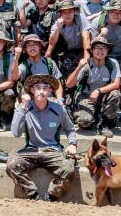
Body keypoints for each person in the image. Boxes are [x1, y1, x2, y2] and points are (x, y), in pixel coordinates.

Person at [6, 74, 77, 202]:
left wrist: (72, 144)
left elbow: (70, 129)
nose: (42, 91)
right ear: (32, 90)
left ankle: (52, 196)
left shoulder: (58, 109)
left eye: (45, 88)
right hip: (31, 150)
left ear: (50, 91)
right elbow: (16, 133)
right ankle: (33, 194)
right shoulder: (25, 107)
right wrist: (22, 106)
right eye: (38, 88)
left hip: (52, 151)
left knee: (69, 169)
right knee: (11, 164)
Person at [89, 0, 121, 131]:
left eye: (120, 13)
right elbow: (92, 46)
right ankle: (97, 113)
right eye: (113, 12)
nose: (116, 15)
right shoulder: (97, 22)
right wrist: (101, 34)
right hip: (101, 56)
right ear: (107, 12)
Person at [65, 36, 121, 138]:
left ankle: (105, 122)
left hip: (103, 96)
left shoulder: (112, 63)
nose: (100, 51)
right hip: (86, 97)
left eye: (103, 48)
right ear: (91, 50)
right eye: (97, 48)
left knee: (116, 94)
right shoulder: (86, 64)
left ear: (107, 50)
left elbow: (116, 84)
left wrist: (98, 91)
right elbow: (69, 84)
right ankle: (94, 117)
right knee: (85, 122)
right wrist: (79, 67)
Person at [12, 34, 64, 104]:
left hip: (48, 99)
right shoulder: (24, 65)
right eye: (29, 45)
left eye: (35, 44)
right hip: (30, 101)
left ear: (40, 46)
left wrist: (60, 100)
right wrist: (16, 59)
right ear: (25, 49)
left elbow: (57, 84)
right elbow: (15, 77)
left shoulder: (49, 63)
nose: (32, 47)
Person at [45, 0, 90, 78]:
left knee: (87, 68)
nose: (67, 15)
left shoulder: (81, 18)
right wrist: (58, 28)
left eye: (70, 11)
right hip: (71, 50)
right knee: (67, 69)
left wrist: (86, 58)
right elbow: (51, 42)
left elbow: (86, 37)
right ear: (60, 14)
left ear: (74, 11)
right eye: (64, 12)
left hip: (86, 48)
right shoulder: (57, 24)